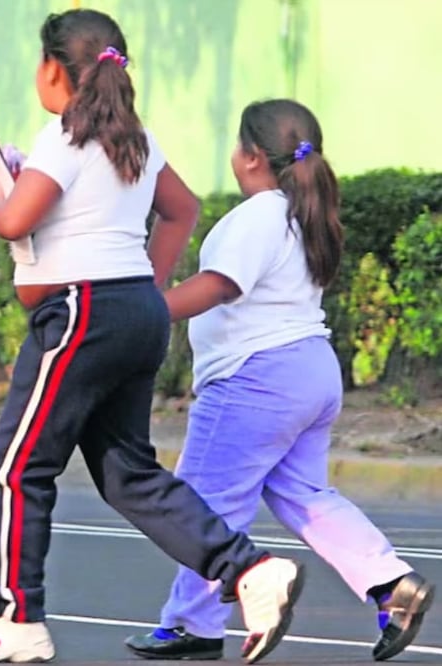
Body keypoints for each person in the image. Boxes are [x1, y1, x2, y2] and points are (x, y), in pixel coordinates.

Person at [0, 10, 305, 665]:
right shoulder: (135, 140)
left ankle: (16, 617)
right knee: (127, 474)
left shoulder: (63, 138)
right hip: (132, 312)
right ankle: (249, 571)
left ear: (54, 70)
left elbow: (13, 220)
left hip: (82, 315)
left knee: (18, 467)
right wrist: (144, 285)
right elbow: (181, 210)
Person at [124, 99, 435, 662]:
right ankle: (390, 583)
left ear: (250, 157)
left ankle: (193, 624)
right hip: (309, 370)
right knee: (304, 493)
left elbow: (222, 284)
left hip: (255, 378)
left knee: (204, 502)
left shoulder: (259, 214)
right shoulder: (302, 214)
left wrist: (145, 311)